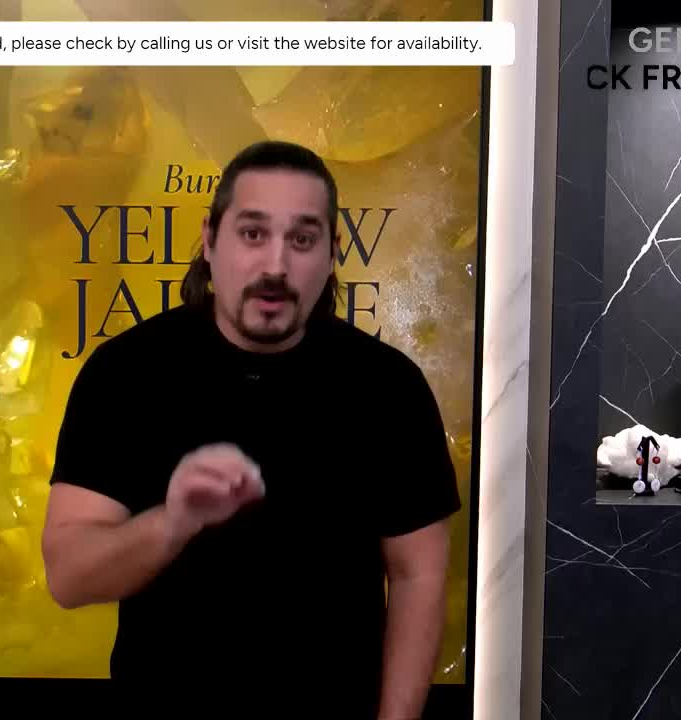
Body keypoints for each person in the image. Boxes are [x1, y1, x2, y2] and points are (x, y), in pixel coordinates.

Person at [41, 140, 461, 718]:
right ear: (210, 240)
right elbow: (68, 577)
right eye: (253, 233)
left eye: (303, 239)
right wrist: (173, 522)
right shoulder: (126, 374)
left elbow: (418, 575)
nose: (275, 266)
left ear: (333, 253)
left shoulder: (389, 388)